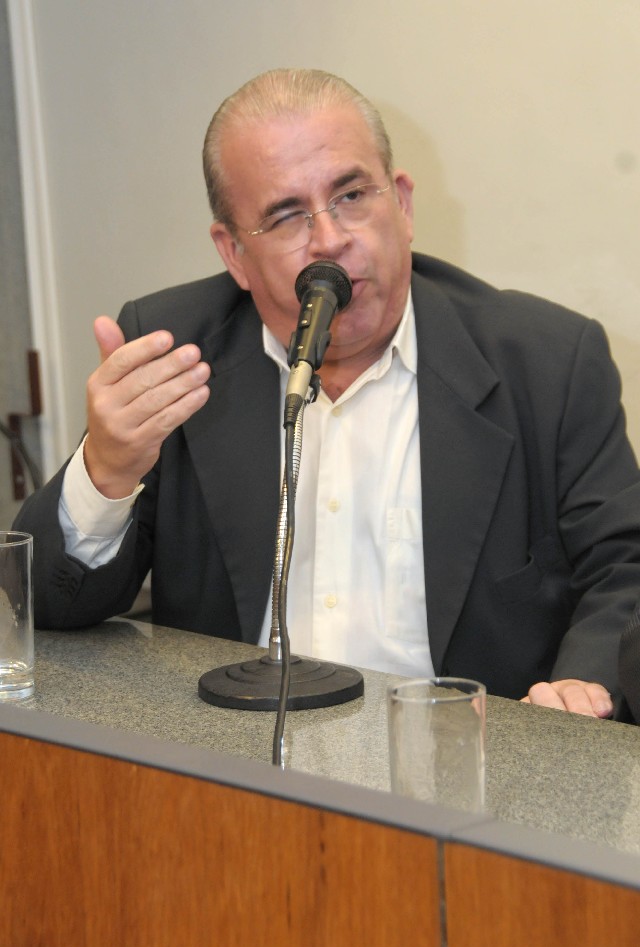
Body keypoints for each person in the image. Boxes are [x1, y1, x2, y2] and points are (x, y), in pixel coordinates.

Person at [15, 68, 640, 719]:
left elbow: (626, 566)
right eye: (286, 216)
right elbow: (49, 607)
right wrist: (107, 469)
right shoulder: (176, 354)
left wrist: (585, 685)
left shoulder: (547, 362)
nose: (331, 240)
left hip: (469, 759)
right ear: (234, 253)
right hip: (235, 757)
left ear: (403, 205)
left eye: (351, 195)